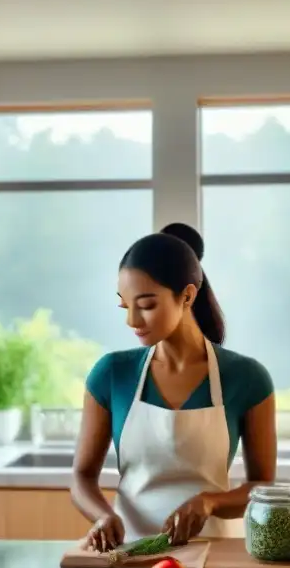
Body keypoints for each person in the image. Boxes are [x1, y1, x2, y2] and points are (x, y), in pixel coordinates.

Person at [71, 223, 277, 550]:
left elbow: (263, 486)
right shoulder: (111, 373)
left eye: (147, 305)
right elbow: (81, 478)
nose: (133, 321)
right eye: (126, 306)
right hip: (129, 553)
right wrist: (102, 516)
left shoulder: (247, 378)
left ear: (187, 296)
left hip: (213, 554)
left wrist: (210, 502)